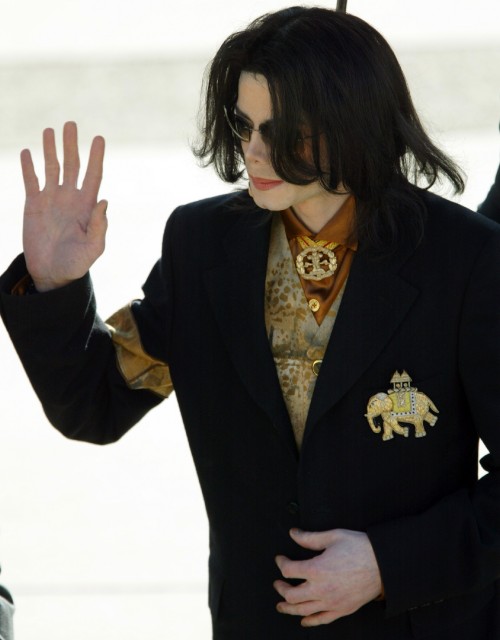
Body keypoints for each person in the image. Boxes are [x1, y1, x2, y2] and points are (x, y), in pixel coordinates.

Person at [1, 6, 500, 639]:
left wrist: (387, 564)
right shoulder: (203, 244)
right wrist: (54, 283)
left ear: (354, 121)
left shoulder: (466, 258)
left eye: (282, 131)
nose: (253, 152)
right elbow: (96, 404)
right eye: (244, 124)